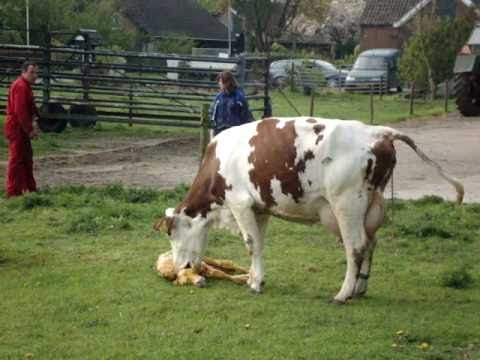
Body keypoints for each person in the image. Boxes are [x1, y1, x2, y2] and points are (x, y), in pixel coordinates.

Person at [4, 60, 40, 198]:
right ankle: (13, 192)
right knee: (17, 160)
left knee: (26, 158)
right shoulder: (20, 86)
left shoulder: (25, 86)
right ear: (23, 72)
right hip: (17, 127)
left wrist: (35, 119)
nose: (35, 75)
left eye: (36, 72)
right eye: (32, 72)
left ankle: (29, 188)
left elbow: (29, 107)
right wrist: (29, 129)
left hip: (20, 127)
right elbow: (21, 111)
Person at [210, 71, 253, 136]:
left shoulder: (239, 98)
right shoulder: (218, 98)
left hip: (235, 133)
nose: (219, 84)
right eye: (219, 82)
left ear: (228, 82)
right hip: (220, 132)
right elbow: (213, 118)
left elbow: (246, 118)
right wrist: (212, 137)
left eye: (221, 82)